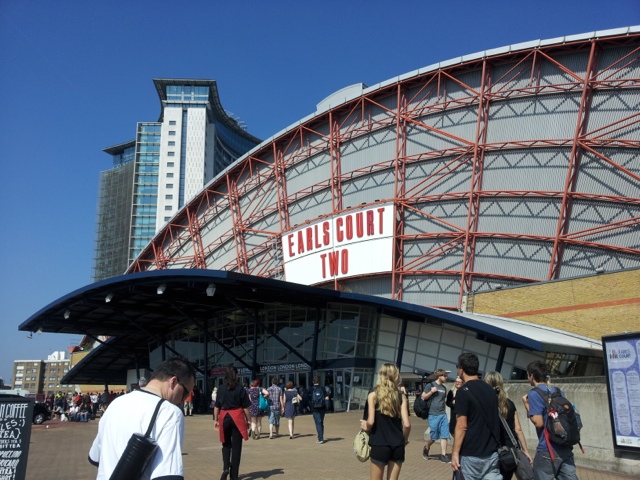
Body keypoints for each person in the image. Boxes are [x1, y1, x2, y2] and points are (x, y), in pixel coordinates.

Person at [88, 357, 196, 480]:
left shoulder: (115, 404)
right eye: (185, 393)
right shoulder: (169, 412)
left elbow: (94, 458)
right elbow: (168, 475)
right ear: (173, 382)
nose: (182, 401)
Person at [522, 360, 578, 480]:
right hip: (565, 445)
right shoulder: (558, 391)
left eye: (528, 375)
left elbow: (539, 423)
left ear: (532, 376)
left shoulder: (534, 393)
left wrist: (527, 406)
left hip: (548, 448)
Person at [451, 352, 502, 479]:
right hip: (492, 453)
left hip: (471, 454)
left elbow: (462, 426)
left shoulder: (463, 392)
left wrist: (455, 453)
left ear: (461, 370)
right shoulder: (490, 390)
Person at [360, 363, 411, 480]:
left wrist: (365, 425)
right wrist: (404, 440)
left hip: (379, 443)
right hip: (397, 444)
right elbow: (407, 424)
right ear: (395, 376)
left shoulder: (373, 395)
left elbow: (370, 422)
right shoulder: (401, 397)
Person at [484, 371, 533, 480]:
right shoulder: (509, 403)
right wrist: (525, 451)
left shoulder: (485, 404)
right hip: (510, 452)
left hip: (492, 449)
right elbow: (518, 429)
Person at [214, 366, 251, 480]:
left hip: (224, 416)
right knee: (236, 447)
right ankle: (234, 476)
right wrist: (249, 420)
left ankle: (226, 467)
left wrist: (216, 420)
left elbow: (217, 406)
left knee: (225, 444)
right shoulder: (240, 388)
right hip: (237, 417)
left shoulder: (221, 388)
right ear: (235, 375)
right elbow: (245, 407)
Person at [421, 368, 451, 463]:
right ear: (439, 376)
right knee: (433, 437)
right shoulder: (431, 385)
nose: (446, 377)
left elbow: (443, 401)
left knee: (444, 435)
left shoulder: (444, 388)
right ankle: (426, 447)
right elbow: (423, 397)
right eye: (444, 376)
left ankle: (443, 455)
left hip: (442, 414)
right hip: (433, 415)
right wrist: (431, 392)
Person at [310, 376, 329, 443]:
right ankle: (321, 437)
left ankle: (320, 439)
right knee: (321, 422)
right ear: (319, 381)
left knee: (318, 423)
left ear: (313, 382)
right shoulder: (322, 388)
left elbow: (309, 398)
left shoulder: (311, 389)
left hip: (314, 408)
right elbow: (327, 398)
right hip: (322, 407)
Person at [446, 376, 462, 441]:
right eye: (456, 381)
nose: (457, 383)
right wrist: (452, 403)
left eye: (459, 382)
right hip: (454, 414)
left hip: (462, 414)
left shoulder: (465, 391)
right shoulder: (451, 392)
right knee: (453, 431)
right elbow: (447, 402)